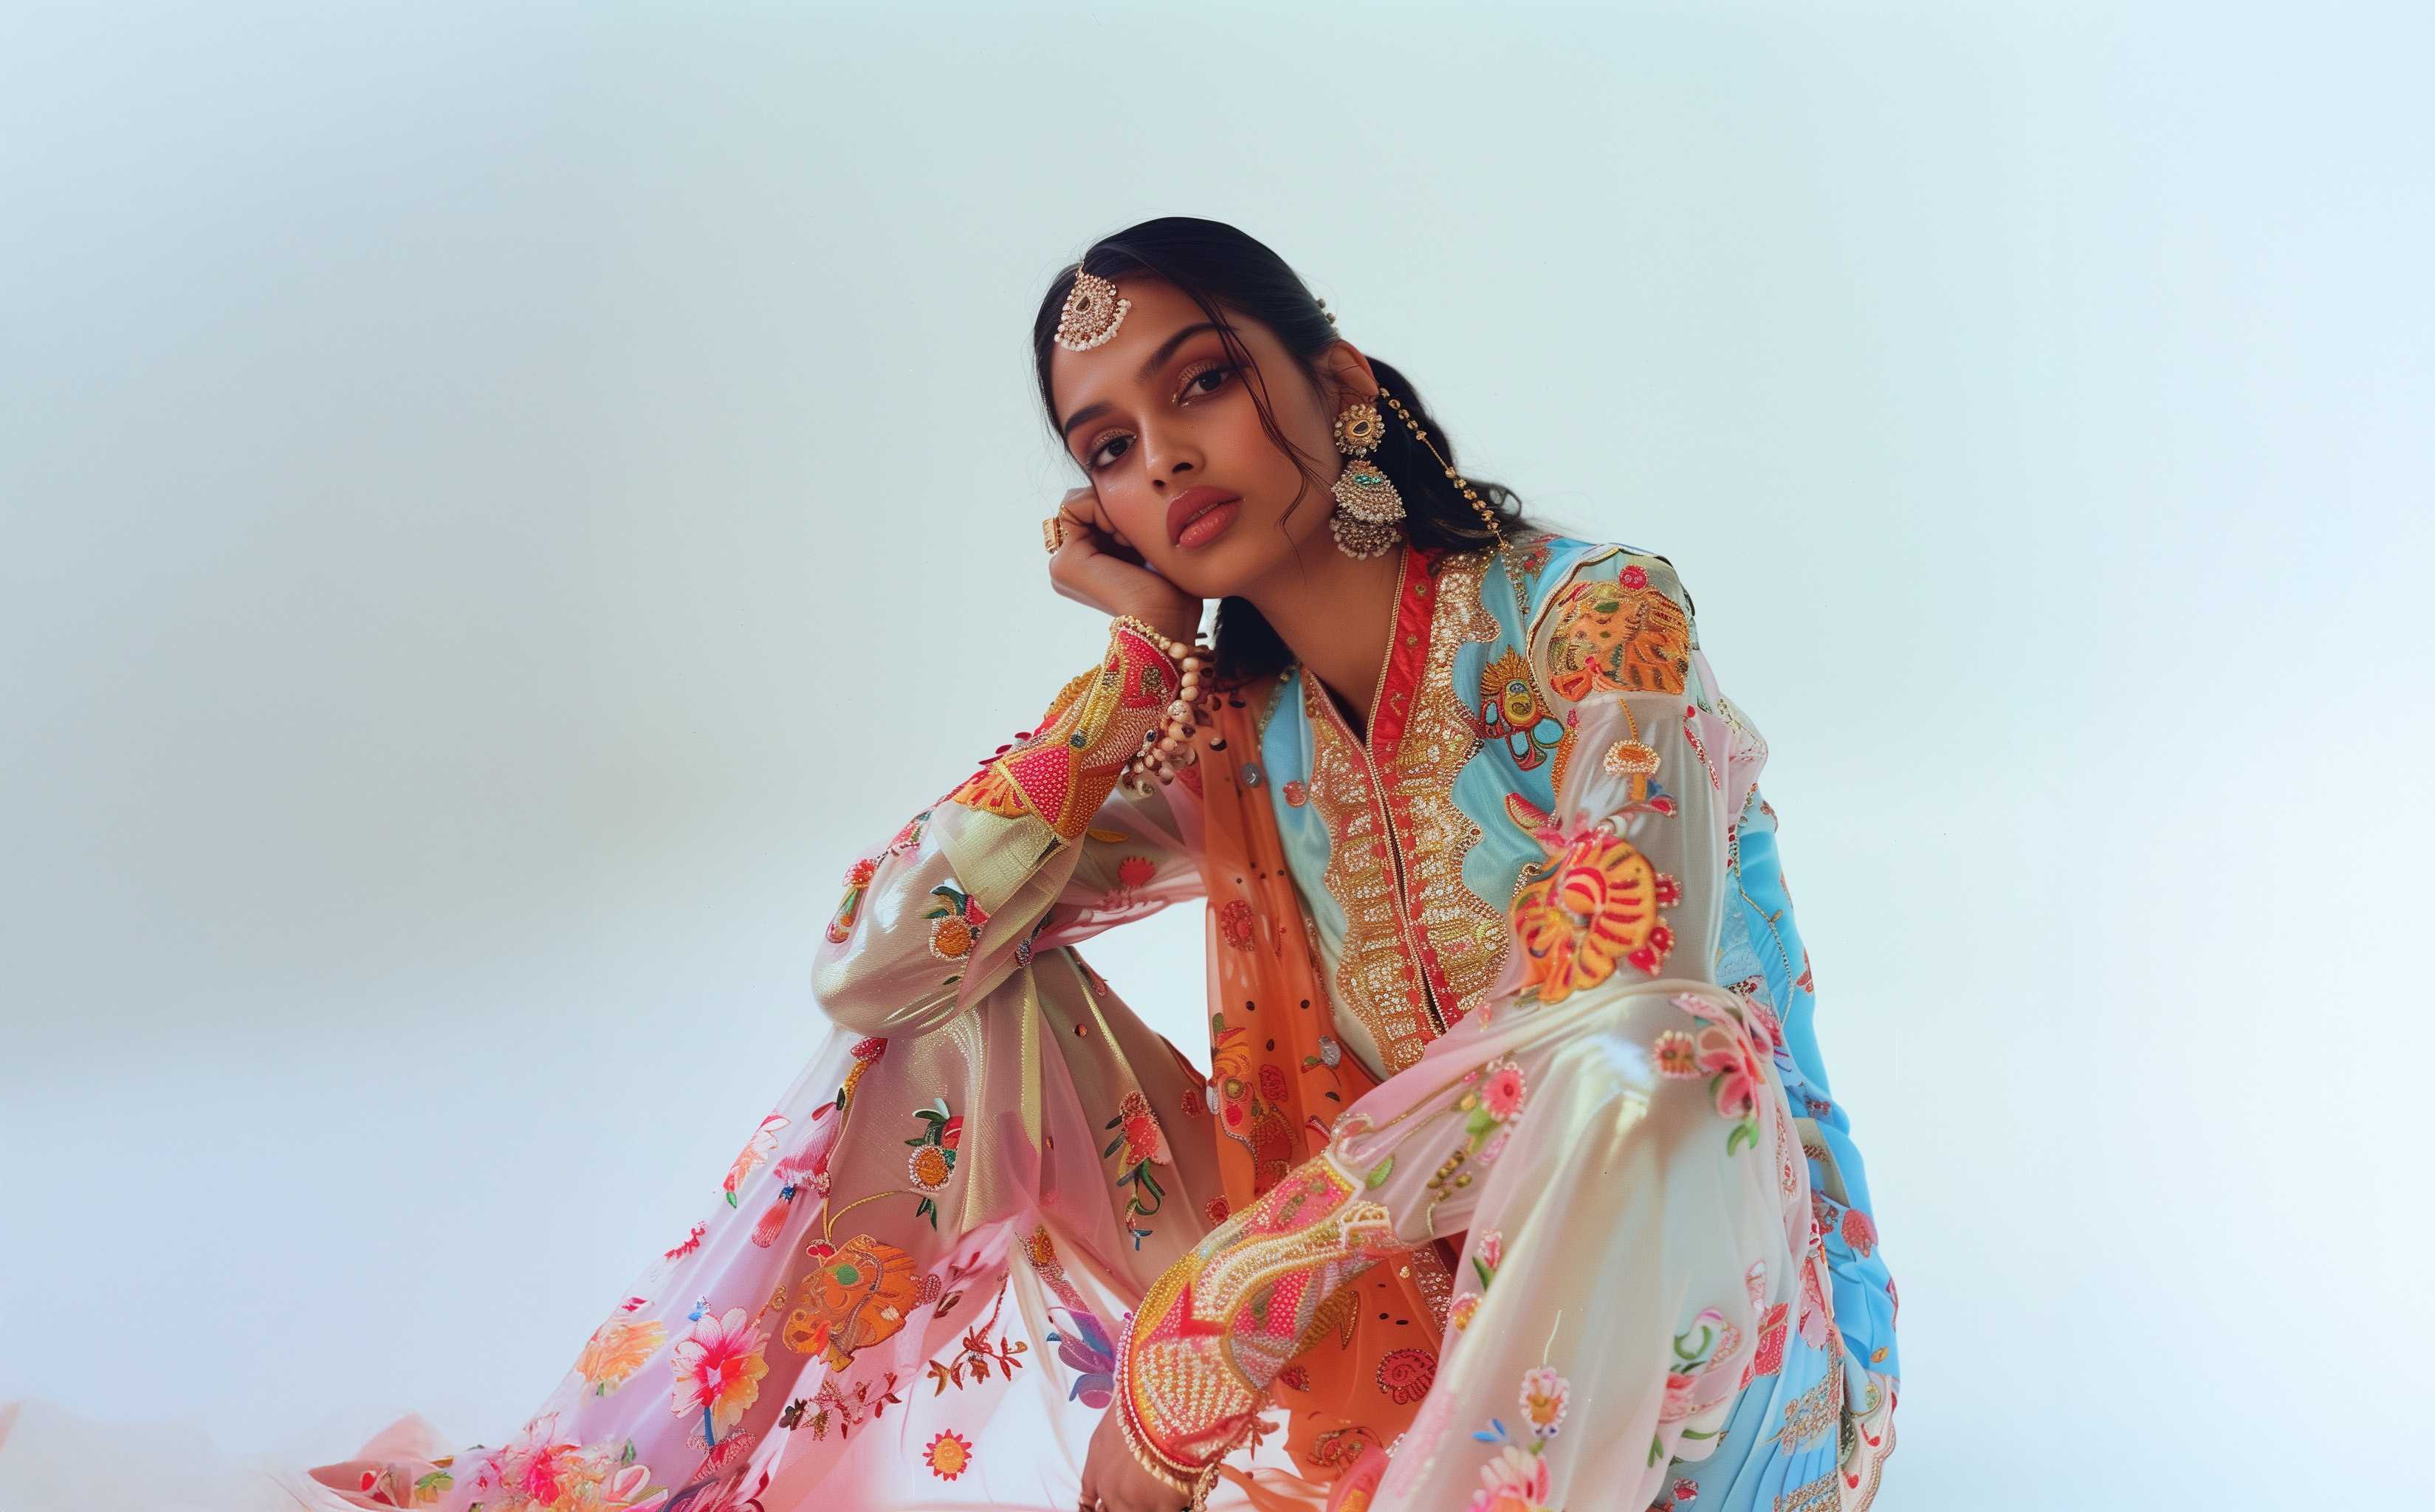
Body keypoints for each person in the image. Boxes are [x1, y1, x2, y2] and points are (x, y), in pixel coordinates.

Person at [0, 217, 1899, 1512]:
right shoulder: (1229, 737)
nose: (1165, 457)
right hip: (1393, 1372)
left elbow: (1619, 1002)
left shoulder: (1594, 619)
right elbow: (877, 963)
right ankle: (623, 1487)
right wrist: (1134, 672)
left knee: (1639, 1057)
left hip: (1721, 1389)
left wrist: (1220, 1300)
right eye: (1110, 443)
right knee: (974, 1007)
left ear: (1338, 382)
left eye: (1202, 382)